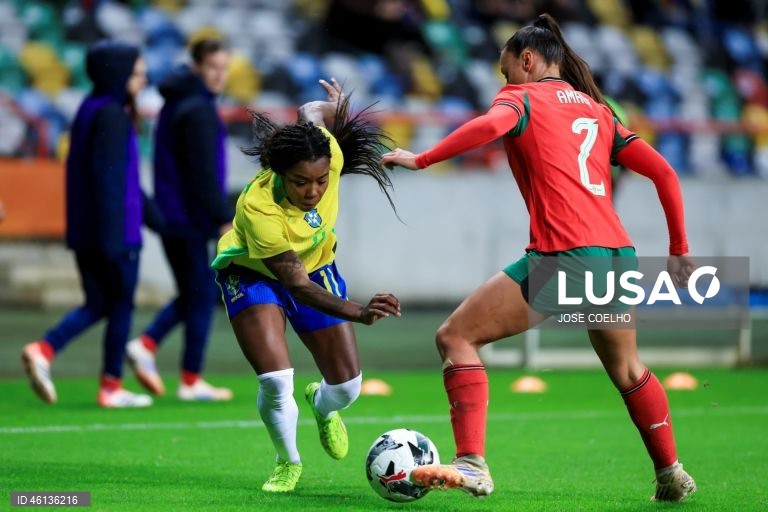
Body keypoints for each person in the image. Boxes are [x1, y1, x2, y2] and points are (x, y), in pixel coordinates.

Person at [381, 14, 697, 503]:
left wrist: (420, 159)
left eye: (506, 72)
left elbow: (489, 126)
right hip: (616, 257)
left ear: (527, 60)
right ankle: (671, 472)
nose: (503, 83)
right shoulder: (599, 110)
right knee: (630, 370)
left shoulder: (520, 98)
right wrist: (679, 251)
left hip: (566, 257)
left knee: (456, 337)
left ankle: (472, 463)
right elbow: (665, 174)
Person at [213, 78, 401, 493]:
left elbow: (309, 117)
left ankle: (322, 405)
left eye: (320, 180)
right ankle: (287, 462)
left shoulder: (327, 154)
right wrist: (358, 310)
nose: (314, 190)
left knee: (348, 387)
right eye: (301, 181)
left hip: (317, 268)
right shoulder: (259, 207)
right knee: (276, 380)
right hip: (254, 273)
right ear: (280, 172)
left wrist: (331, 107)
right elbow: (294, 284)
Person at [21, 41, 155, 408]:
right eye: (137, 73)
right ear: (118, 73)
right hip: (114, 232)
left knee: (98, 302)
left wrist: (156, 219)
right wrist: (114, 238)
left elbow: (119, 178)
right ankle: (111, 385)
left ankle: (45, 348)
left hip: (87, 230)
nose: (143, 80)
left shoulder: (89, 108)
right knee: (121, 303)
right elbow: (110, 181)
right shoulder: (112, 114)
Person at [126, 38, 234, 401]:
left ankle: (148, 345)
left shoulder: (177, 103)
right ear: (197, 67)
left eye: (224, 68)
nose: (220, 76)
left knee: (194, 291)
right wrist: (223, 217)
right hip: (187, 216)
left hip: (174, 213)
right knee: (201, 294)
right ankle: (188, 378)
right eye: (213, 68)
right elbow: (202, 173)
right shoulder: (198, 109)